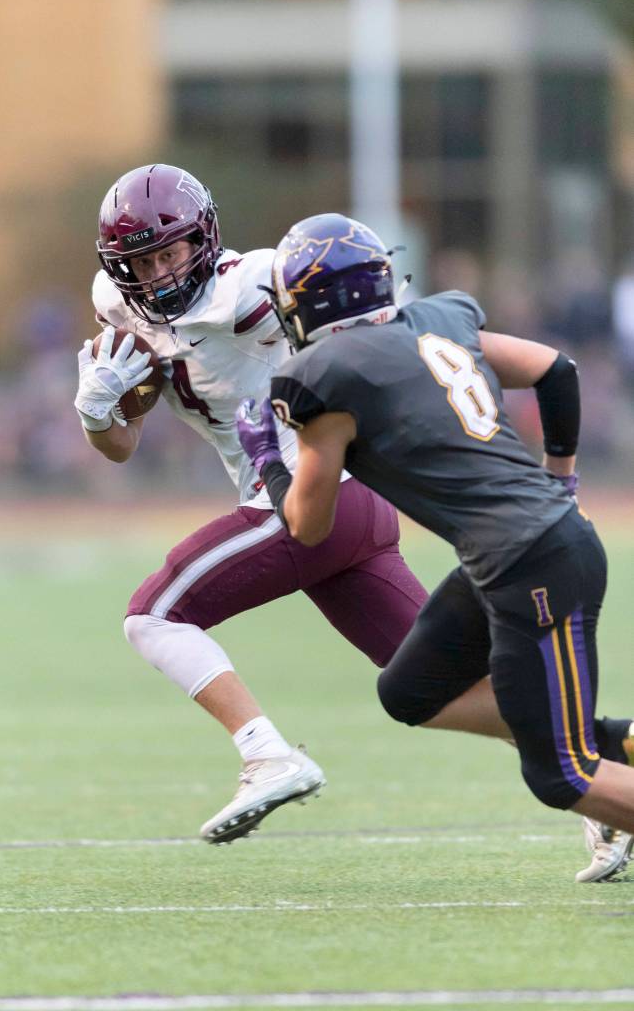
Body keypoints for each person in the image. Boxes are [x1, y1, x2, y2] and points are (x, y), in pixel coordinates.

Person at [236, 211, 634, 882]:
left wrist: (265, 462)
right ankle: (612, 746)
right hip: (524, 552)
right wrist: (559, 481)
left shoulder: (321, 374)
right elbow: (555, 370)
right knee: (410, 689)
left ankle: (600, 774)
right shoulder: (438, 319)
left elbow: (307, 524)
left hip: (527, 563)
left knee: (559, 776)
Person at [73, 165, 429, 845]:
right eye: (139, 262)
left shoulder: (259, 282)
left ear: (201, 239)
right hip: (345, 515)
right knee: (437, 681)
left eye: (168, 252)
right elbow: (120, 443)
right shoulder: (122, 310)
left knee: (153, 616)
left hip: (310, 497)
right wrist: (94, 409)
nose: (155, 274)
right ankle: (597, 775)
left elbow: (369, 316)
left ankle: (266, 753)